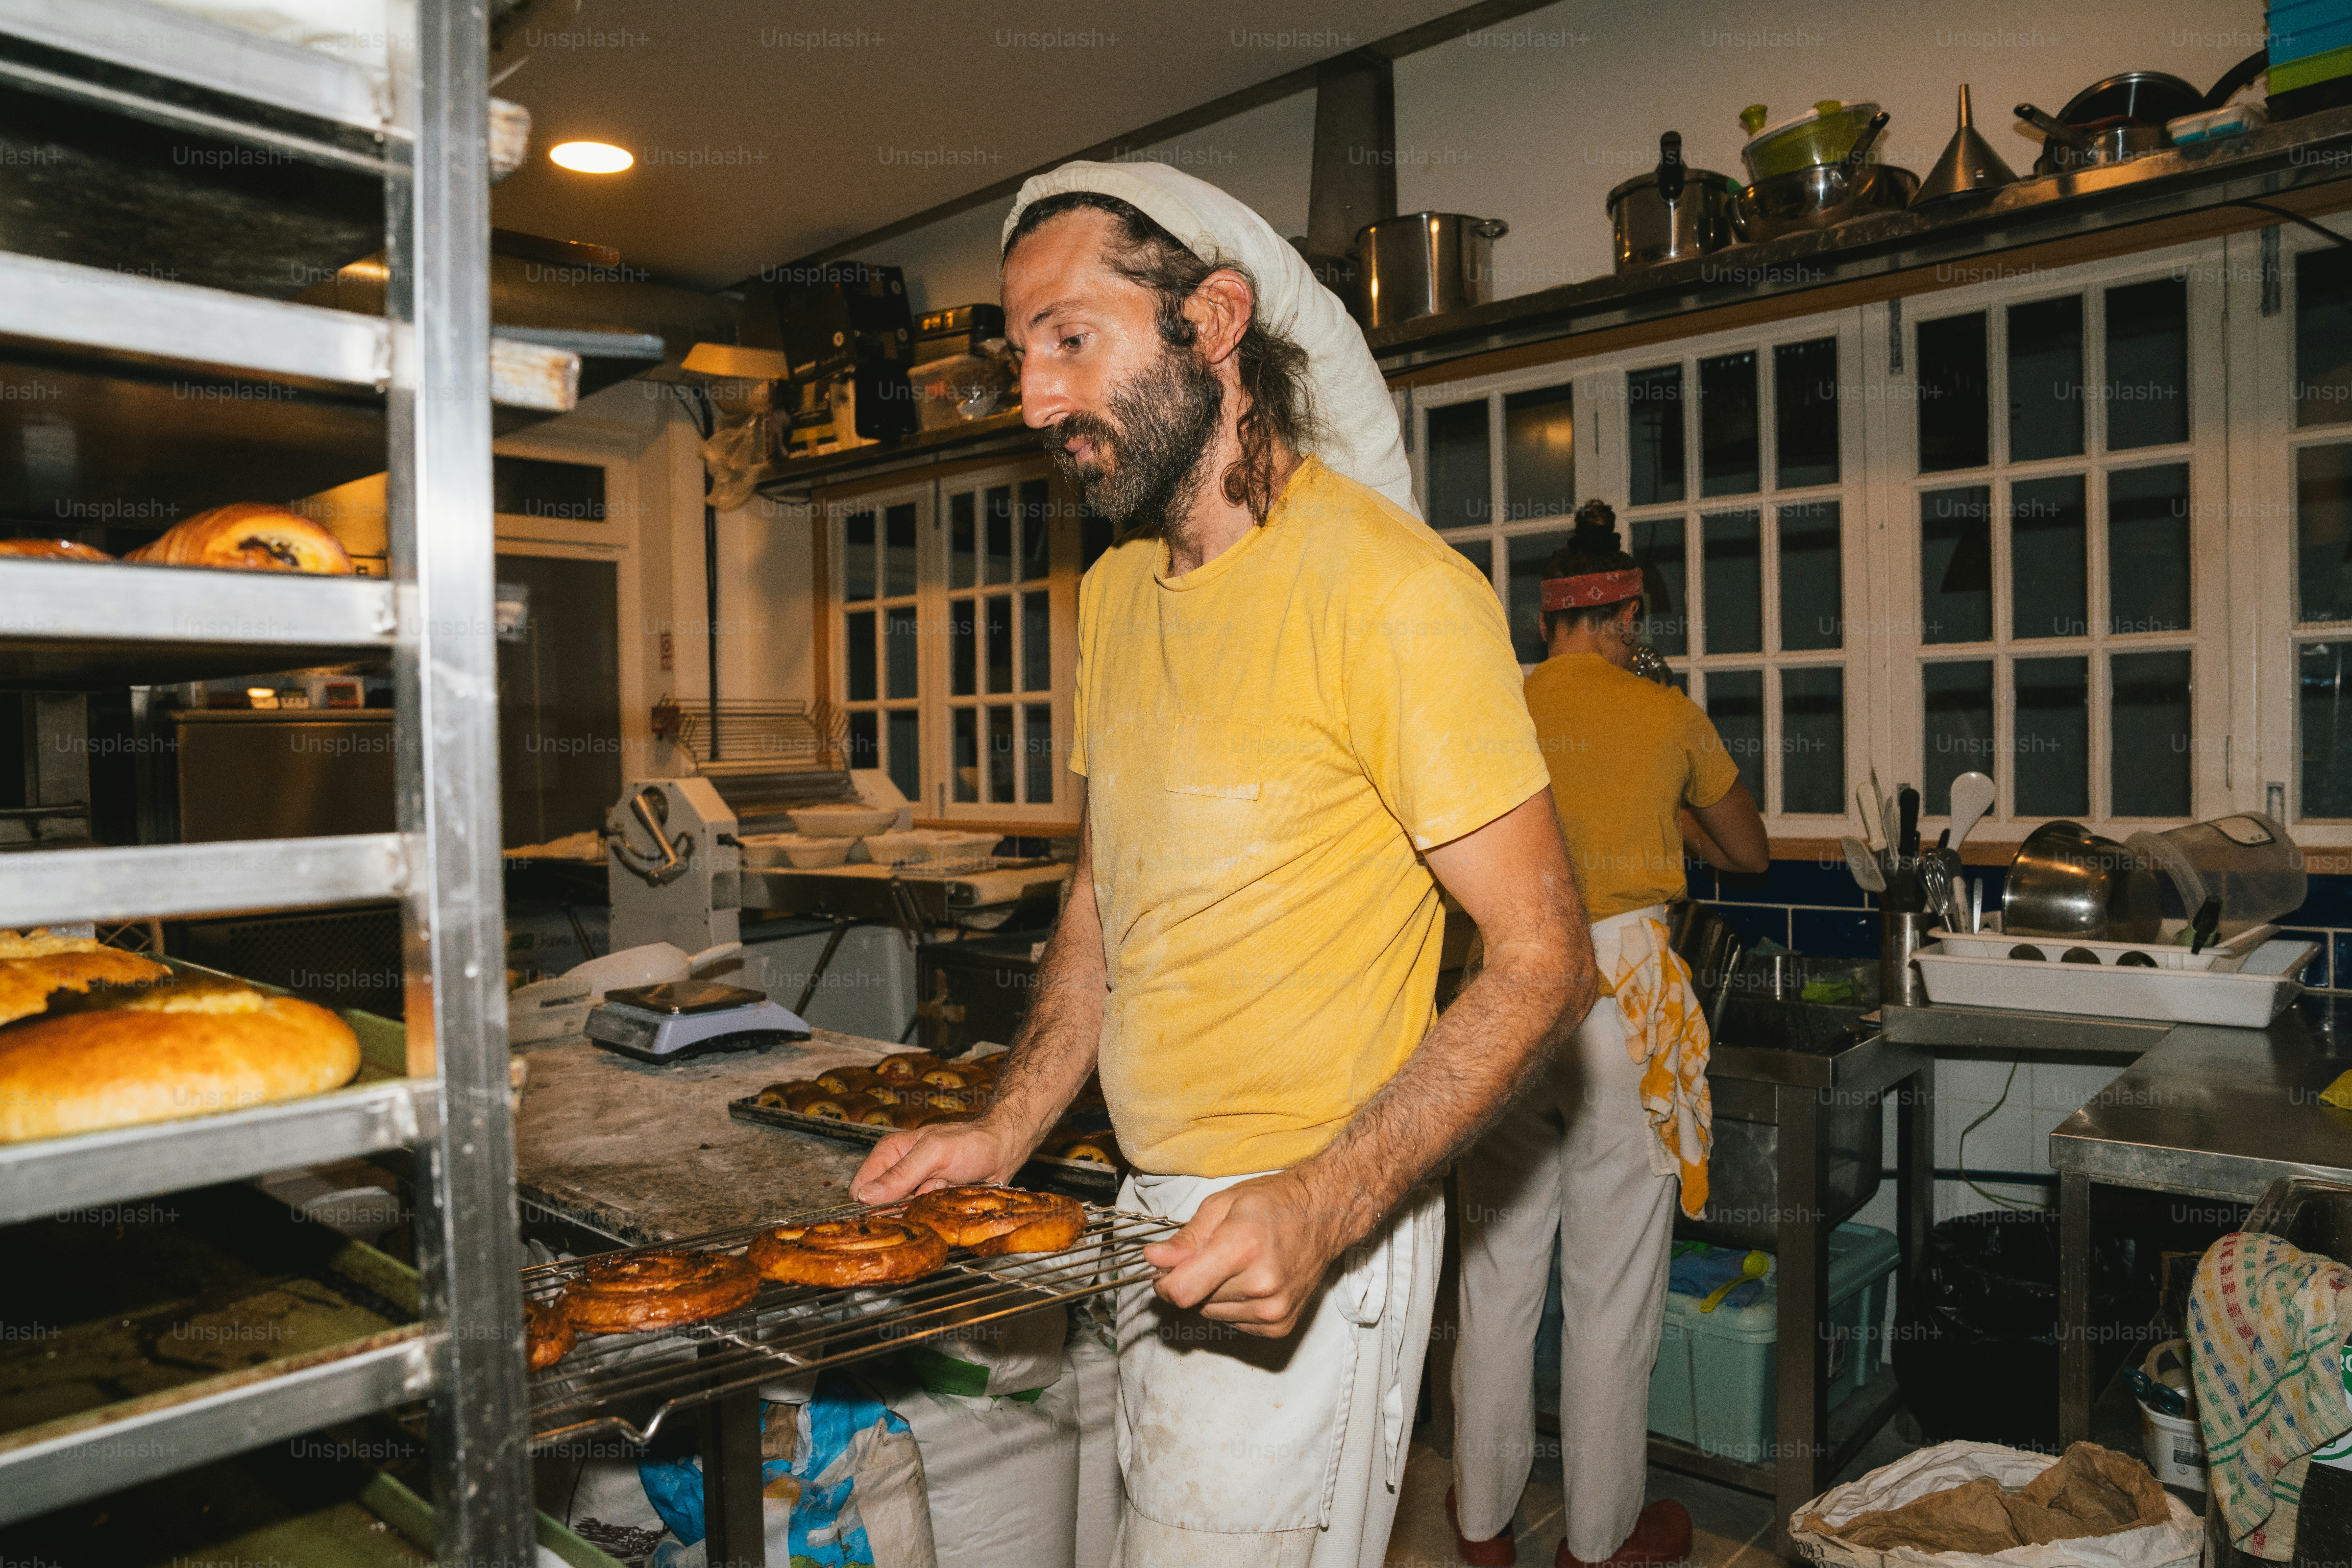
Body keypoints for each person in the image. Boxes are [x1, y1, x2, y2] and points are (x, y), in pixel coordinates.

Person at [851, 159, 1594, 1568]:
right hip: (1153, 1208)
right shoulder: (1117, 590)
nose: (1035, 397)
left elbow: (1549, 964)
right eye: (1022, 356)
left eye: (1071, 338)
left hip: (1307, 1224)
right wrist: (1009, 1129)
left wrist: (1323, 1204)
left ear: (1215, 323)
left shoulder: (1397, 598)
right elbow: (1100, 896)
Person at [1447, 503, 1770, 1568]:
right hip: (1621, 991)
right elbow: (1751, 853)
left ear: (1548, 626)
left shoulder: (1492, 704)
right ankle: (1596, 1544)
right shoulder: (1665, 712)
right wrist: (1666, 804)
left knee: (1496, 1280)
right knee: (1611, 1290)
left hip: (1501, 979)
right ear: (1624, 614)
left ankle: (1483, 1531)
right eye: (1636, 622)